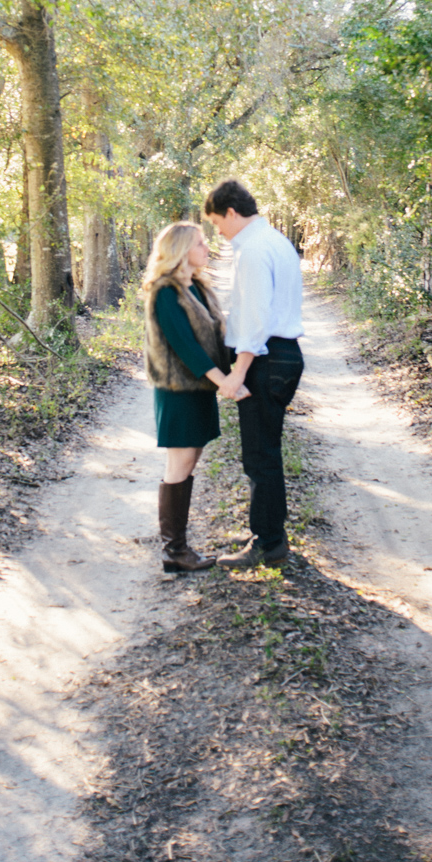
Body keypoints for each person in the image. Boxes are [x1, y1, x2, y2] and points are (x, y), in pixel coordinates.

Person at [203, 179, 304, 570]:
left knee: (260, 456)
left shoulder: (254, 250)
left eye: (217, 223)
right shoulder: (275, 241)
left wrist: (238, 373)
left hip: (266, 359)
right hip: (282, 355)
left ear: (231, 212)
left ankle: (269, 543)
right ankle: (268, 533)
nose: (219, 232)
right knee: (265, 452)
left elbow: (257, 318)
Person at [141, 221, 248, 574]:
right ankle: (174, 550)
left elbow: (217, 339)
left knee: (192, 456)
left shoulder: (199, 287)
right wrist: (226, 383)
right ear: (182, 250)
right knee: (180, 462)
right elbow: (186, 347)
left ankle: (179, 546)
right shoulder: (165, 292)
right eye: (200, 243)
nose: (207, 247)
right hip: (178, 392)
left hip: (199, 389)